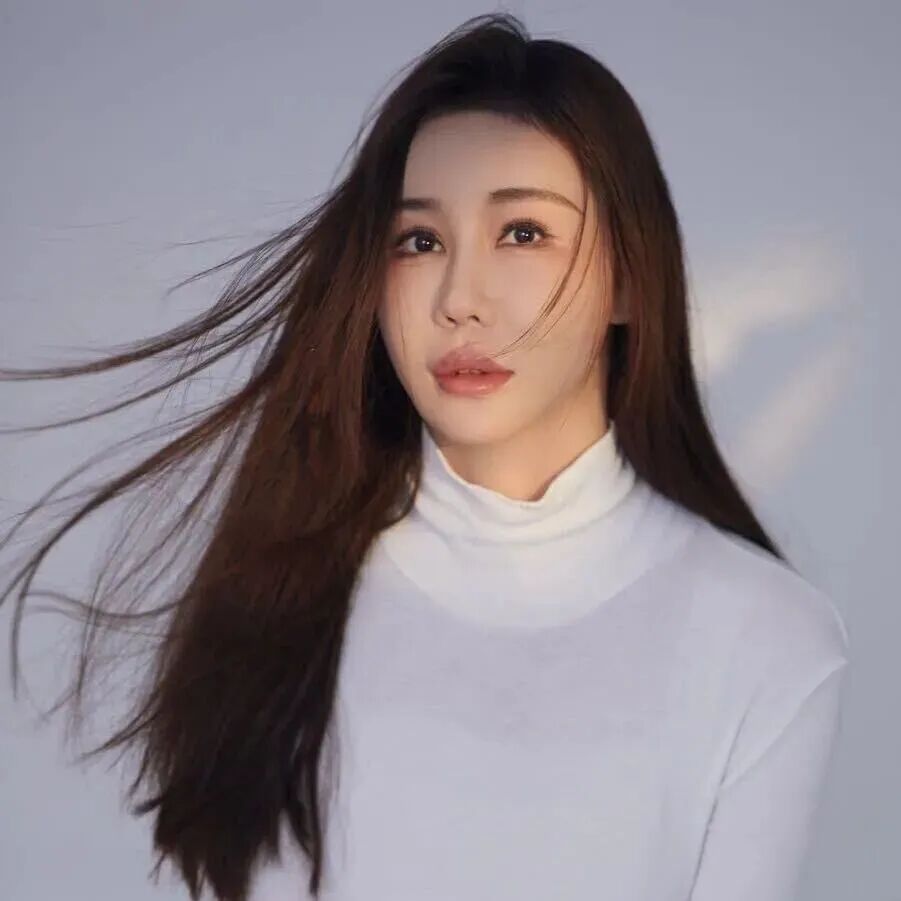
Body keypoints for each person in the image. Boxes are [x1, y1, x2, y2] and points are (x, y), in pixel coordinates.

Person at [0, 12, 849, 901]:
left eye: (522, 232)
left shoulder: (764, 638)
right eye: (419, 241)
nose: (458, 298)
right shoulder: (276, 600)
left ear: (630, 278)